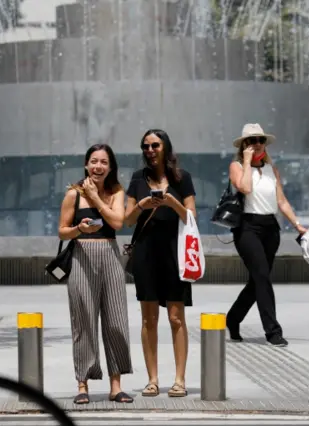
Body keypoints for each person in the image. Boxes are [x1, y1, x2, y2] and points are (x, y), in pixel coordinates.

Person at [58, 144, 133, 405]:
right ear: (86, 165)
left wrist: (96, 197)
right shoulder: (73, 194)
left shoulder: (116, 192)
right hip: (82, 257)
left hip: (110, 257)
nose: (98, 166)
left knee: (116, 321)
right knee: (84, 321)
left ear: (110, 167)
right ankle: (82, 384)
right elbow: (61, 231)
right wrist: (79, 229)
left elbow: (116, 223)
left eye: (103, 162)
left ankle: (116, 385)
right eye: (93, 161)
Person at [124, 129, 196, 398]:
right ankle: (152, 379)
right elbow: (126, 220)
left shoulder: (182, 178)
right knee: (148, 318)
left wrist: (172, 202)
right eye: (145, 146)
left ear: (165, 147)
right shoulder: (137, 179)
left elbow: (192, 217)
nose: (150, 150)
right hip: (145, 253)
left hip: (175, 252)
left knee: (176, 317)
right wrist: (142, 204)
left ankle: (179, 380)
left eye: (155, 145)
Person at [225, 123, 307, 347]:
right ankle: (273, 331)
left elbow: (281, 201)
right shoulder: (237, 166)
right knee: (262, 277)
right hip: (247, 228)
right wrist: (248, 162)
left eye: (260, 140)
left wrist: (298, 225)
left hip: (271, 228)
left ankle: (233, 318)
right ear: (244, 146)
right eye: (251, 141)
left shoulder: (272, 170)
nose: (257, 144)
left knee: (256, 281)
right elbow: (245, 188)